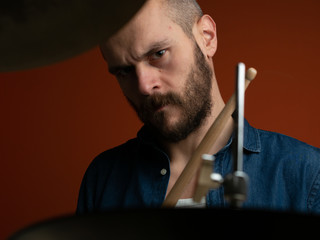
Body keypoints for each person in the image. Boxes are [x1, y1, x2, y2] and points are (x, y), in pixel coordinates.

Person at [76, 0, 320, 213]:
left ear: (207, 37)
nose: (144, 86)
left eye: (158, 53)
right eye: (124, 71)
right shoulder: (103, 179)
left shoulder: (306, 173)